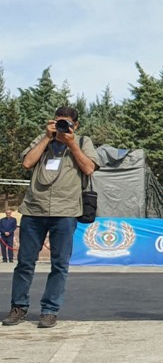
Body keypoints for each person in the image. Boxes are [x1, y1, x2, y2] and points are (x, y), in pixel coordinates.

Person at [3, 107, 99, 328]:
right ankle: (19, 306)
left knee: (59, 264)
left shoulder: (83, 141)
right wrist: (47, 137)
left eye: (66, 123)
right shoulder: (42, 139)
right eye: (58, 123)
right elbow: (27, 163)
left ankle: (49, 310)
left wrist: (71, 142)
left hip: (65, 212)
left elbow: (89, 168)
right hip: (34, 210)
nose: (61, 127)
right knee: (25, 263)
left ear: (76, 124)